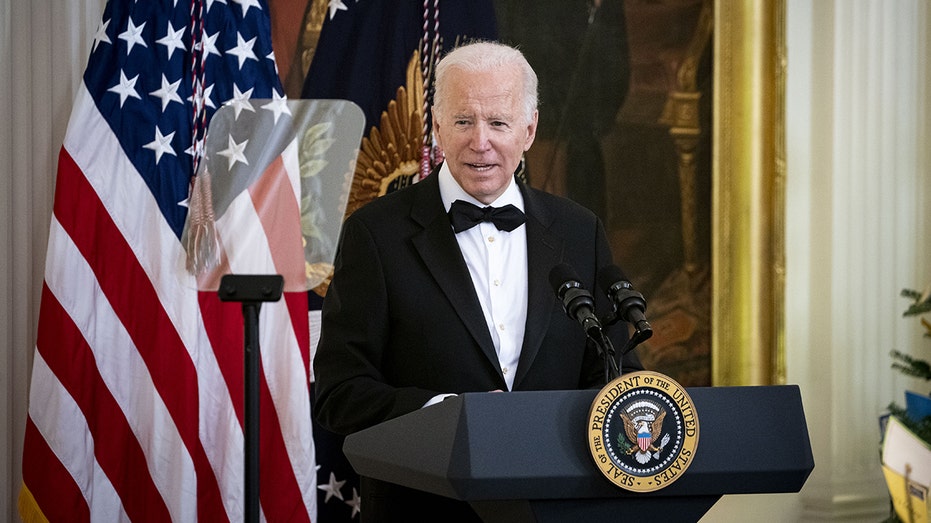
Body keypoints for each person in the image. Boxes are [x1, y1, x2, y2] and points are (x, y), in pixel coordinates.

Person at [312, 40, 644, 522]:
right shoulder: (375, 235)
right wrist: (452, 413)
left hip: (557, 508)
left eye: (499, 123)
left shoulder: (579, 231)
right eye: (464, 121)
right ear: (437, 127)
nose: (480, 141)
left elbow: (614, 375)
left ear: (529, 130)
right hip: (423, 511)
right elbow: (340, 394)